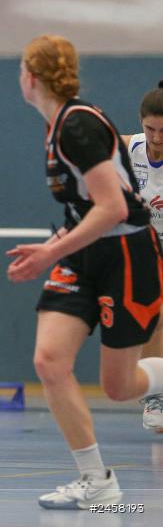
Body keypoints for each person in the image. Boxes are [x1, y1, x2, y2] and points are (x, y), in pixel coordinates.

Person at [8, 35, 163, 509]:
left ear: (30, 78)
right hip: (84, 255)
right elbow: (86, 211)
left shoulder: (78, 126)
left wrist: (51, 254)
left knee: (119, 387)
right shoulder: (59, 126)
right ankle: (96, 480)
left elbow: (113, 208)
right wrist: (54, 246)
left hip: (126, 257)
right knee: (50, 360)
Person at [122, 81, 163, 433]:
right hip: (147, 245)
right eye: (150, 128)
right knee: (156, 317)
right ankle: (155, 395)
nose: (157, 137)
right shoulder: (130, 146)